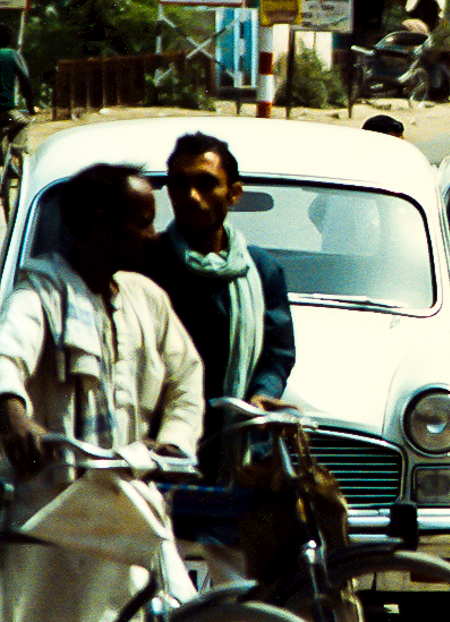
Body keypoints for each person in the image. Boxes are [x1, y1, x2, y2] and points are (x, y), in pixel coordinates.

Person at [0, 164, 204, 622]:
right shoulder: (39, 296)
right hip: (51, 512)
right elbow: (4, 358)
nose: (154, 236)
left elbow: (186, 376)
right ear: (98, 224)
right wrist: (14, 416)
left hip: (122, 504)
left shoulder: (145, 299)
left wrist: (173, 439)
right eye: (142, 222)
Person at [142, 134, 295, 480]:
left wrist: (262, 396)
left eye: (206, 183)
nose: (191, 197)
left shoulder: (261, 271)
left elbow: (277, 354)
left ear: (234, 193)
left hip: (236, 444)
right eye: (180, 184)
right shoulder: (145, 264)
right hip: (156, 449)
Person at [0, 22, 34, 130]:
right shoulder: (12, 54)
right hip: (5, 109)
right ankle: (18, 147)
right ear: (9, 40)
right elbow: (25, 81)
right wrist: (30, 107)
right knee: (23, 123)